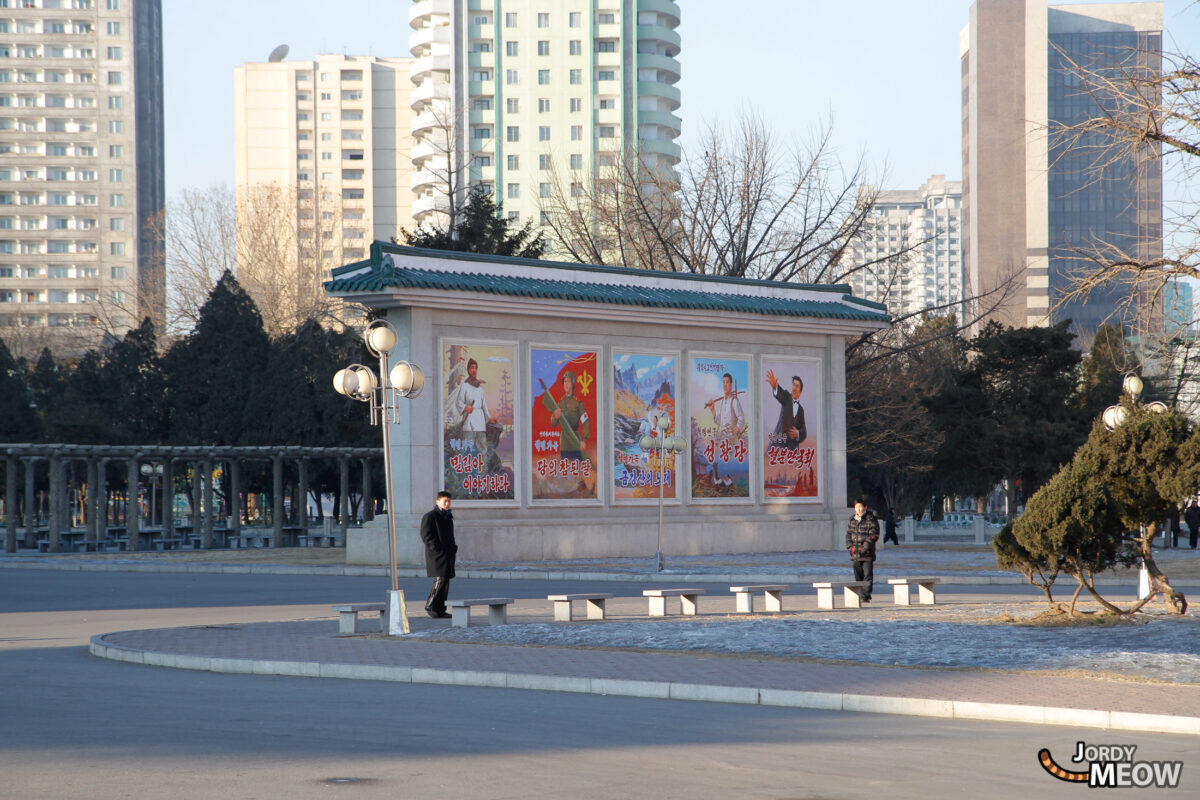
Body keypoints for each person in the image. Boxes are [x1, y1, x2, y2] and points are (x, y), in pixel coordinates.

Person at [446, 358, 497, 458]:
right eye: (472, 368)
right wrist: (466, 407)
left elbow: (484, 405)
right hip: (469, 420)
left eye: (476, 368)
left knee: (482, 445)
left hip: (480, 420)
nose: (474, 370)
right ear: (469, 370)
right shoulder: (465, 386)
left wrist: (489, 417)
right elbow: (459, 402)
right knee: (468, 445)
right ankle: (467, 467)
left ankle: (482, 466)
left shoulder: (480, 389)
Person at [420, 491, 457, 618]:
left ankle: (440, 609)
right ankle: (430, 605)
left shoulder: (448, 516)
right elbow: (426, 535)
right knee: (440, 579)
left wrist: (453, 548)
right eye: (444, 501)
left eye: (449, 501)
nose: (447, 504)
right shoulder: (430, 516)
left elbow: (450, 536)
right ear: (438, 501)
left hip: (447, 554)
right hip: (437, 555)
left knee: (445, 580)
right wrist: (436, 549)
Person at [543, 370, 589, 461]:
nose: (566, 384)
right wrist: (555, 417)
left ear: (572, 384)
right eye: (564, 382)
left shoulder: (577, 402)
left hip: (576, 442)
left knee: (578, 470)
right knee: (566, 470)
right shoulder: (560, 403)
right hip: (564, 443)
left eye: (568, 381)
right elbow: (553, 423)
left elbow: (585, 421)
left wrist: (584, 440)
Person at [846, 500, 880, 602]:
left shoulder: (871, 519)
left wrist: (864, 548)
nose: (859, 509)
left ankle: (865, 595)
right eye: (856, 507)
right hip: (855, 553)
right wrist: (850, 547)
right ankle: (861, 593)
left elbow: (873, 535)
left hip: (867, 553)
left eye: (860, 507)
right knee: (858, 575)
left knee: (867, 575)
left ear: (865, 507)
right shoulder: (852, 520)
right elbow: (848, 534)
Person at [765, 369, 806, 451]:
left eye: (797, 386)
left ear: (800, 392)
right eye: (793, 385)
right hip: (778, 445)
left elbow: (804, 430)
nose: (794, 388)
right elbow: (781, 395)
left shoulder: (801, 410)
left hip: (792, 449)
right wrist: (775, 386)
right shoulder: (787, 398)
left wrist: (798, 433)